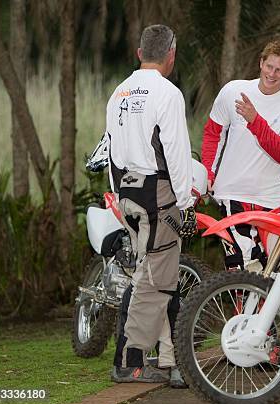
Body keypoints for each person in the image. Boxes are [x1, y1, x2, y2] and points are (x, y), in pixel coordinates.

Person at [107, 24, 196, 385]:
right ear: (170, 54)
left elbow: (111, 148)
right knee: (155, 282)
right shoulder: (167, 93)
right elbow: (176, 154)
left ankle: (167, 359)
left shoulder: (118, 92)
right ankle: (128, 362)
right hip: (158, 194)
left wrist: (118, 196)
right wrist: (187, 203)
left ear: (139, 52)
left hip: (127, 193)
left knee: (148, 274)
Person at [201, 39, 280, 270]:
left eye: (279, 69)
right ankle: (249, 306)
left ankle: (262, 307)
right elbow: (213, 134)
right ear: (261, 63)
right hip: (232, 192)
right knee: (243, 263)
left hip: (272, 199)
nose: (272, 74)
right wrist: (208, 173)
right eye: (269, 66)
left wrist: (255, 120)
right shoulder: (233, 90)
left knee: (268, 268)